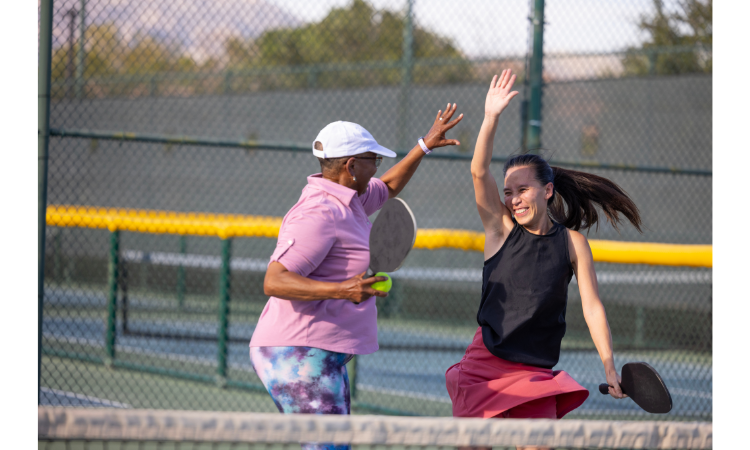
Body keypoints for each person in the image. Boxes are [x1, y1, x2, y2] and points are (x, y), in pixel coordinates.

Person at [250, 107, 463, 445]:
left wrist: (424, 146)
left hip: (320, 352)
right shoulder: (318, 212)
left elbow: (390, 185)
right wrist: (342, 290)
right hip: (296, 351)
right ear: (351, 166)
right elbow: (275, 281)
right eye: (372, 159)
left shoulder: (353, 201)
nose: (377, 166)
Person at [445, 70, 642, 420]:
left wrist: (610, 366)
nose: (514, 200)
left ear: (547, 190)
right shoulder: (499, 229)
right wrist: (490, 117)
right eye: (508, 193)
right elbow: (478, 172)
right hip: (485, 365)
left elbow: (593, 307)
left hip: (534, 371)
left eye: (522, 190)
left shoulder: (573, 243)